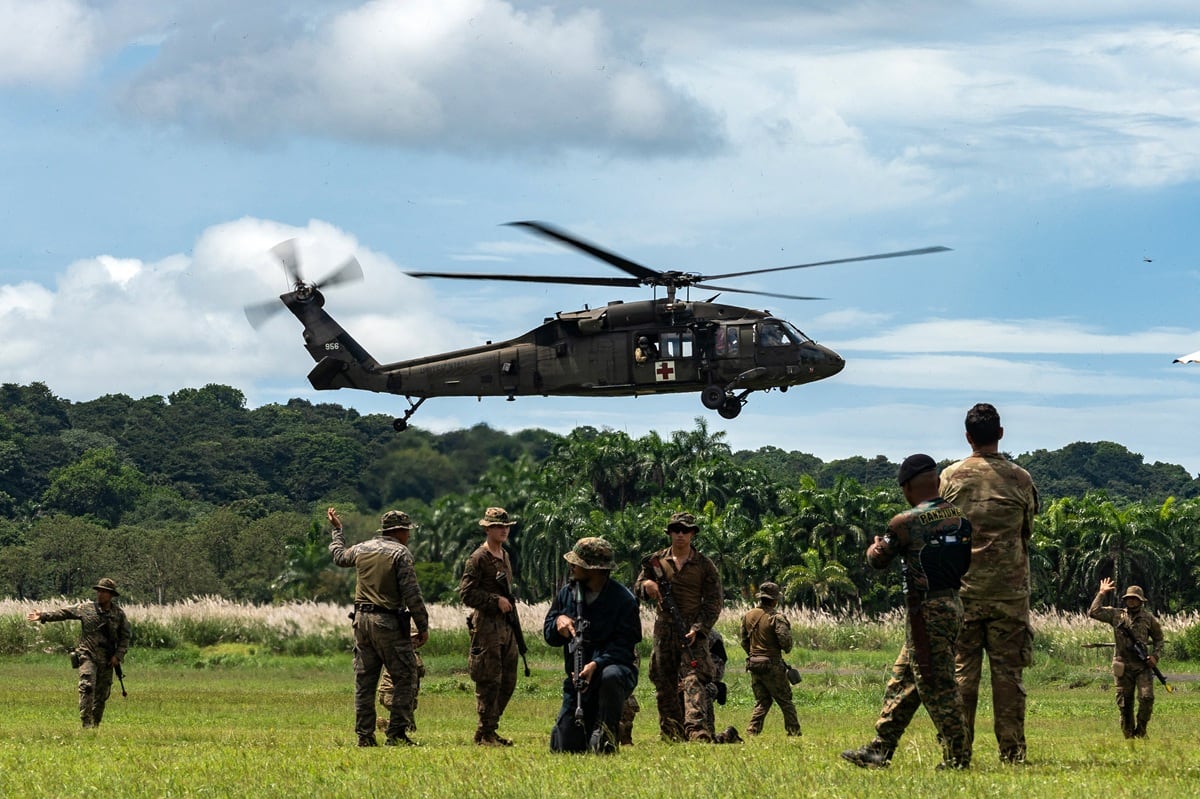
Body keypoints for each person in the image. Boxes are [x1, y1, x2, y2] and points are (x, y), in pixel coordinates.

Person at [842, 454, 973, 770]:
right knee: (904, 680)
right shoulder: (962, 519)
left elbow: (878, 559)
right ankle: (880, 748)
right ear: (936, 481)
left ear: (908, 487)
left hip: (926, 612)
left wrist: (873, 546)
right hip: (953, 603)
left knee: (937, 684)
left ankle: (957, 757)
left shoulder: (905, 522)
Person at [939, 403, 1039, 765]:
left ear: (968, 437)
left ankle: (957, 752)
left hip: (962, 592)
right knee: (1008, 677)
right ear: (1000, 434)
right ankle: (1012, 752)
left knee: (962, 675)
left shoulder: (949, 478)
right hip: (1010, 595)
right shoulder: (1021, 479)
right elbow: (1026, 529)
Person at [328, 507, 429, 747]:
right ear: (400, 531)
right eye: (407, 531)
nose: (409, 536)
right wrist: (422, 625)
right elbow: (411, 593)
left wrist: (337, 531)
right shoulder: (400, 554)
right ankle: (396, 734)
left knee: (365, 682)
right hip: (388, 623)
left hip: (361, 621)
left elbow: (339, 557)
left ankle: (365, 736)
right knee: (406, 676)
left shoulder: (362, 548)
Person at [544, 536, 641, 753]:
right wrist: (557, 623)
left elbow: (625, 646)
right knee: (566, 746)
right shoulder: (567, 594)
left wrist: (597, 663)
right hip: (577, 680)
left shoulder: (623, 600)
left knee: (611, 676)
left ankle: (608, 731)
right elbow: (549, 634)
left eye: (578, 563)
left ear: (595, 569)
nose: (572, 566)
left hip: (611, 671)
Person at [634, 510, 723, 742]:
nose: (680, 535)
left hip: (692, 632)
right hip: (664, 631)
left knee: (694, 679)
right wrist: (648, 586)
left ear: (693, 534)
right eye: (676, 530)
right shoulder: (656, 561)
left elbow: (714, 601)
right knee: (664, 682)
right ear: (670, 532)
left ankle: (696, 730)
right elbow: (637, 588)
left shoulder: (704, 565)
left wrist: (700, 627)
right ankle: (671, 732)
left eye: (685, 530)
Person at [27, 577, 130, 729]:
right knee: (87, 687)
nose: (100, 594)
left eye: (104, 592)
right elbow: (64, 613)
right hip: (87, 656)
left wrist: (118, 656)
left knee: (101, 695)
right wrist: (43, 616)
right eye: (99, 591)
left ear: (111, 595)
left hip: (107, 660)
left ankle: (95, 725)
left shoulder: (119, 614)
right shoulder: (86, 608)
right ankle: (86, 723)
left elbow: (125, 637)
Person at [460, 506, 521, 746]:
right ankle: (484, 732)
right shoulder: (478, 558)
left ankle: (490, 729)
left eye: (506, 526)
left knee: (508, 679)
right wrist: (495, 601)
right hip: (487, 626)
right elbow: (466, 594)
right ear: (487, 529)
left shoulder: (504, 555)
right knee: (489, 678)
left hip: (506, 626)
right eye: (498, 526)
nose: (504, 530)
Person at [1089, 578, 1165, 738]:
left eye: (1134, 598)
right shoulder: (1116, 615)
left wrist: (1155, 656)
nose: (1131, 601)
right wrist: (1101, 593)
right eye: (1128, 598)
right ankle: (1129, 736)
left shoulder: (1148, 618)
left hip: (1142, 666)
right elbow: (1094, 612)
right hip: (1122, 666)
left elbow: (1159, 639)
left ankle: (1141, 731)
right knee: (1124, 704)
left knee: (1146, 698)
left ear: (1141, 601)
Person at [740, 581, 801, 737]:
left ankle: (752, 731)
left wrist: (754, 654)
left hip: (754, 664)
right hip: (772, 665)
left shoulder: (747, 616)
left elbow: (743, 641)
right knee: (785, 701)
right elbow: (785, 642)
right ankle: (794, 732)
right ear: (774, 600)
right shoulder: (776, 618)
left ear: (761, 598)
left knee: (763, 701)